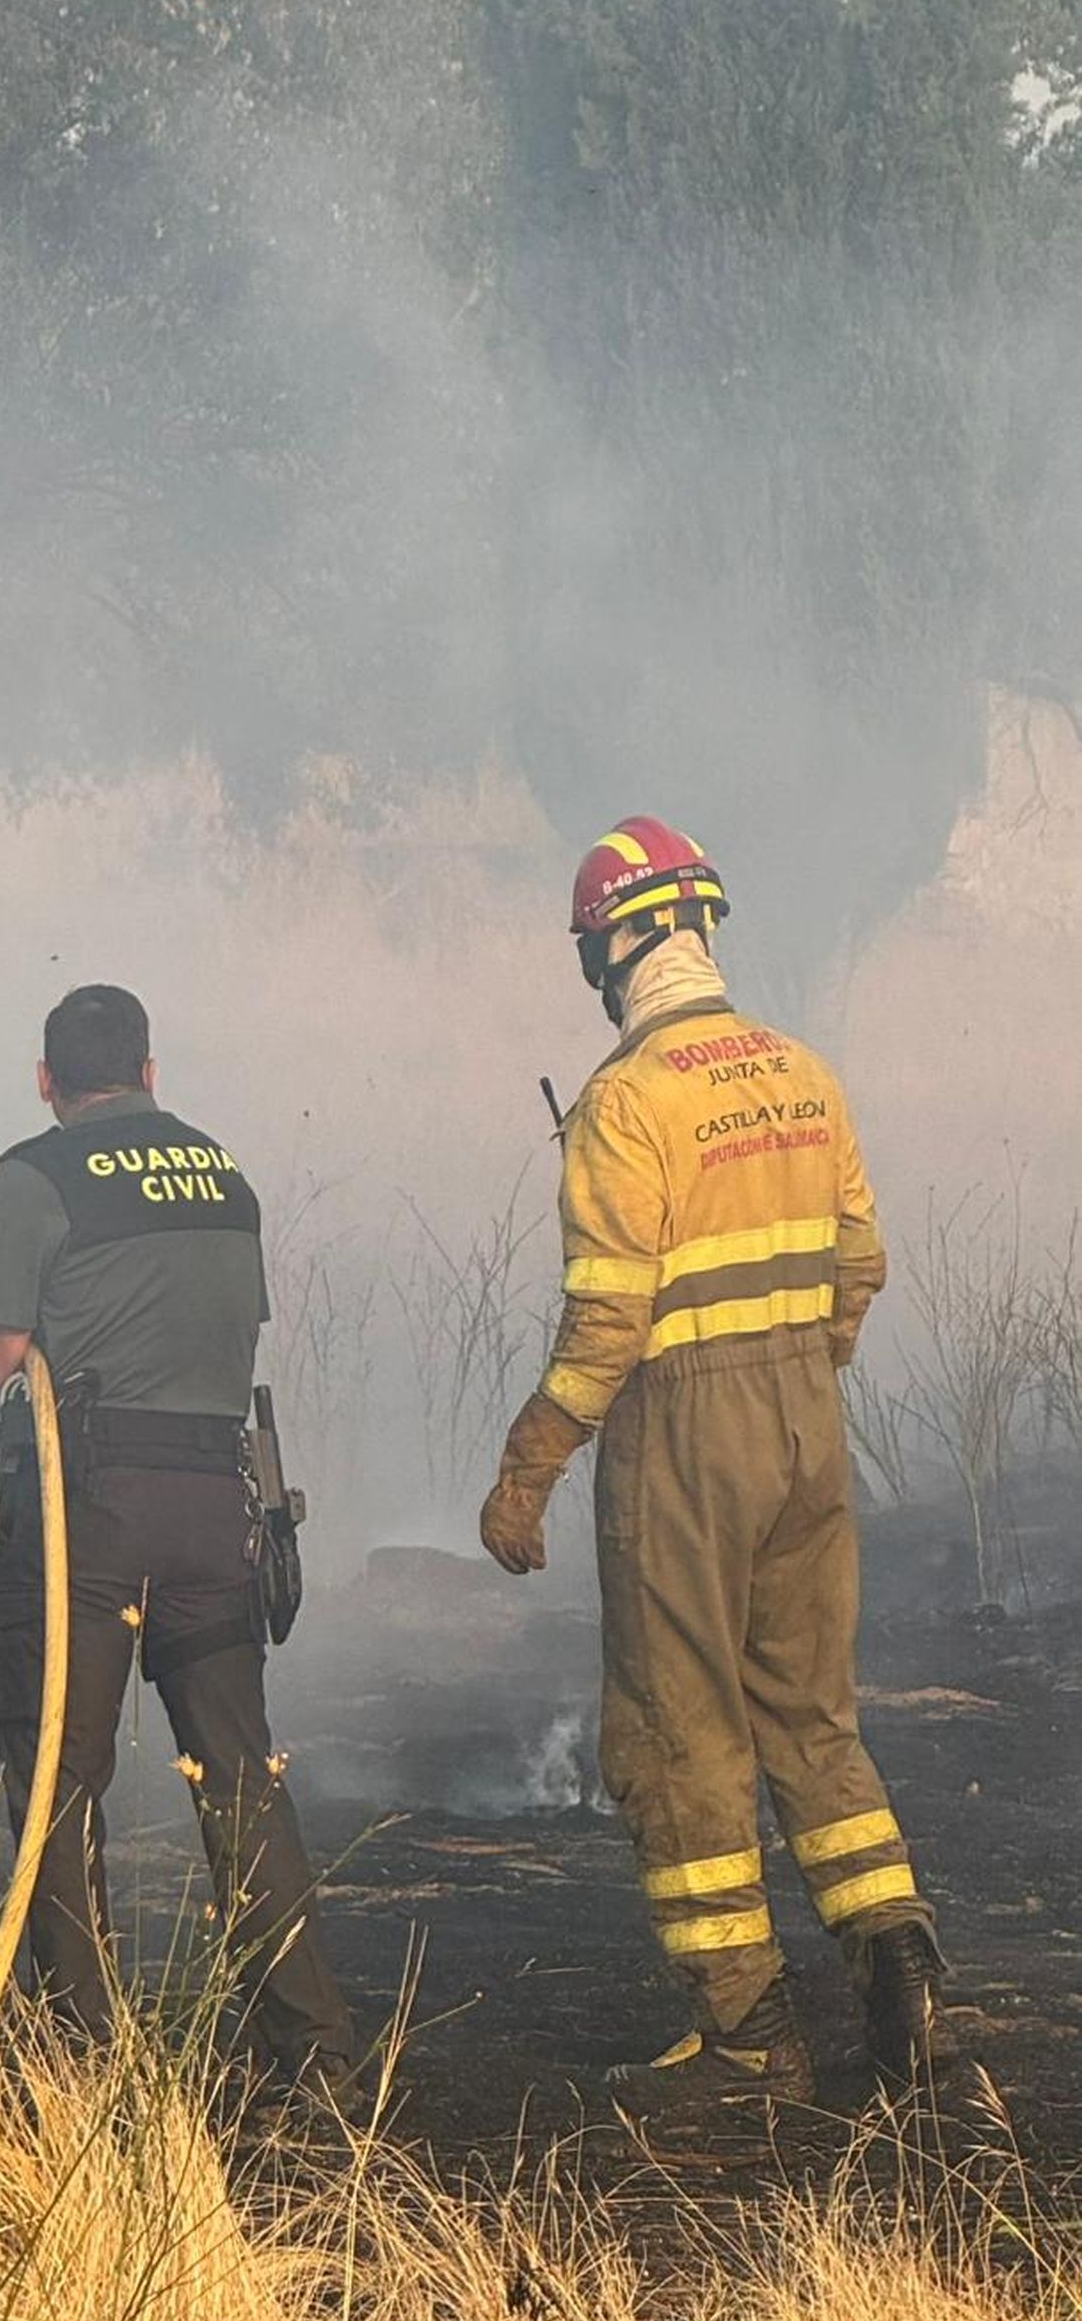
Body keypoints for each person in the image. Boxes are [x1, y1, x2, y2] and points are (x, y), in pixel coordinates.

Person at [480, 819, 942, 2109]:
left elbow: (607, 1323)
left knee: (675, 1739)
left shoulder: (628, 1102)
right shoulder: (802, 1071)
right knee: (811, 1716)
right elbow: (861, 1261)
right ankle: (901, 1977)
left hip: (683, 1441)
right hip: (807, 1421)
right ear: (701, 925)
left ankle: (747, 2041)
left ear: (609, 948)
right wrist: (806, 1369)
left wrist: (530, 1467)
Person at [0, 982, 357, 2106]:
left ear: (47, 1080)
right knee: (239, 1778)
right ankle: (315, 2051)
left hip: (88, 1513)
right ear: (149, 1072)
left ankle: (89, 2071)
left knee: (58, 1785)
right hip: (216, 1511)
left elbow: (0, 1353)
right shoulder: (223, 1175)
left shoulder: (32, 1175)